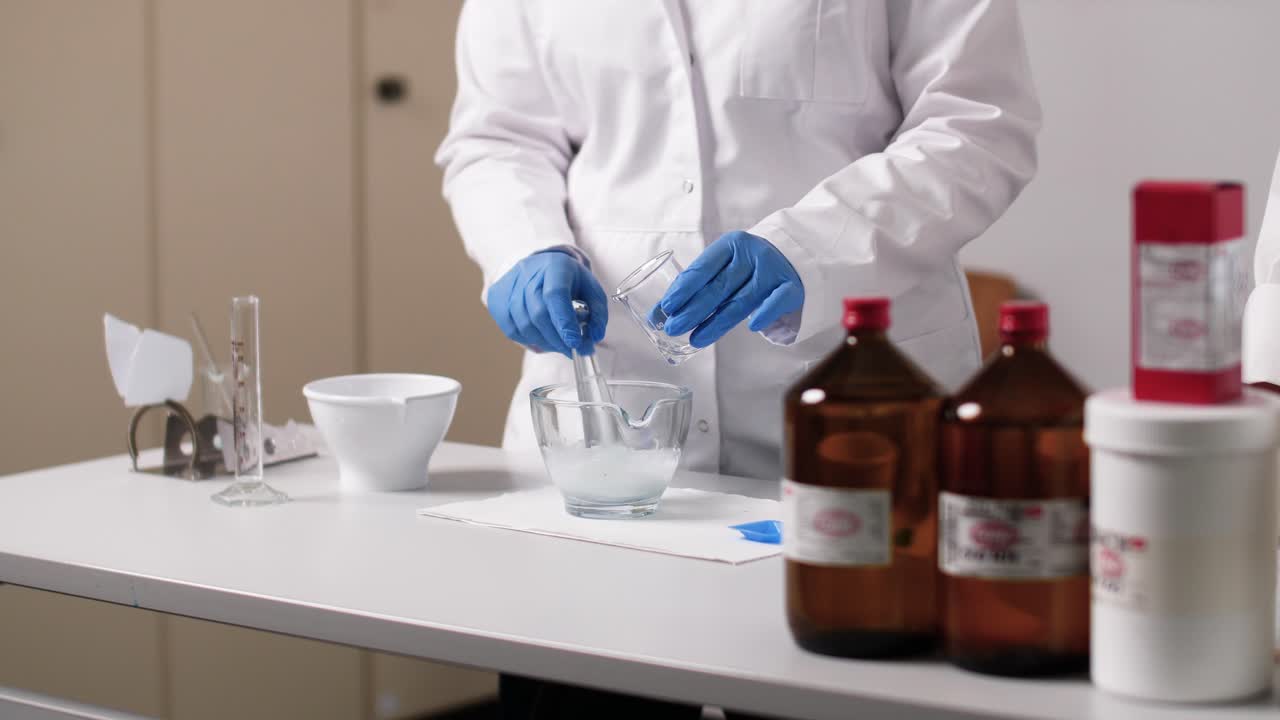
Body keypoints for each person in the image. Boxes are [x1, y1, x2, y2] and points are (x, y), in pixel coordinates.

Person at [437, 1, 1040, 716]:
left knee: (853, 687)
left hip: (847, 410)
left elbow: (977, 124)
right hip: (608, 433)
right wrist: (523, 244)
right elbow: (497, 136)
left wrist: (814, 247)